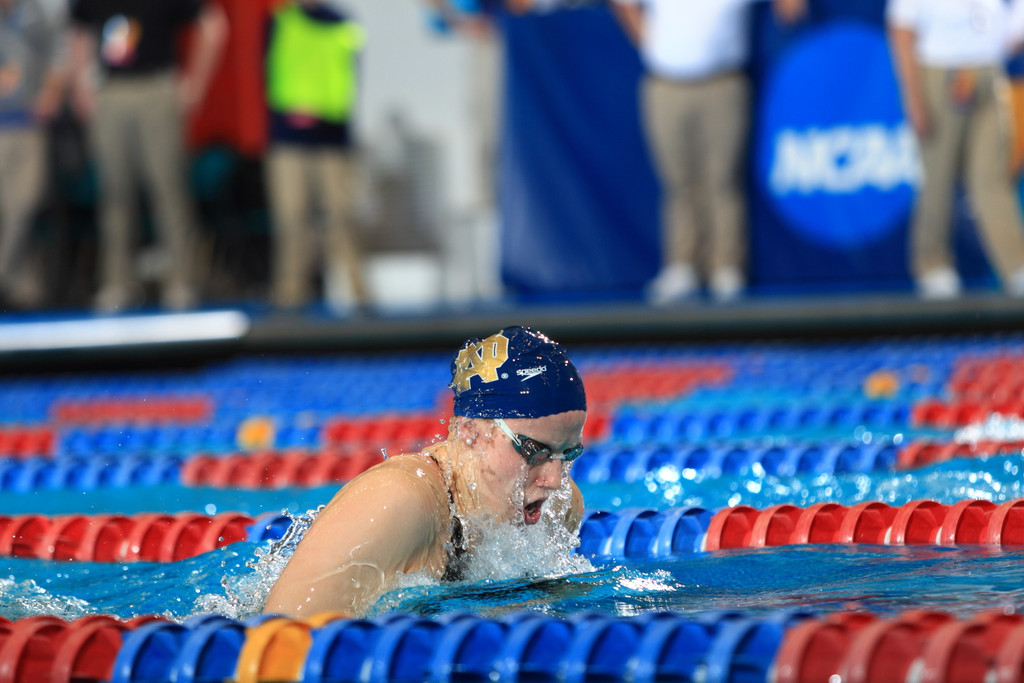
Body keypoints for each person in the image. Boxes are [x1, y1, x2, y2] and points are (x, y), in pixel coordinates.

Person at [263, 325, 587, 618]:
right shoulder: (397, 501)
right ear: (471, 431)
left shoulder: (559, 507)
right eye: (534, 451)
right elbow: (280, 642)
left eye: (567, 453)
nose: (554, 480)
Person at [612, 0, 805, 304]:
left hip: (723, 82)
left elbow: (790, 9)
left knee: (723, 181)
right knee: (678, 182)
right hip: (665, 82)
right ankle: (682, 266)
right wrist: (651, 45)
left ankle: (727, 270)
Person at [68, 0, 228, 313]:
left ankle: (182, 280)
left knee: (167, 189)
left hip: (156, 89)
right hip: (110, 91)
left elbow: (214, 25)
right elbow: (78, 34)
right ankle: (116, 282)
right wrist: (80, 85)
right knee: (114, 193)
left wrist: (195, 84)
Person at [888, 0, 1024, 299]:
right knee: (938, 176)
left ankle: (1016, 267)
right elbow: (900, 29)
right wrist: (913, 98)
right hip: (941, 71)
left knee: (992, 178)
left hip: (989, 71)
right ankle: (932, 267)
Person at [263, 0, 368, 314]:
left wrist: (318, 112)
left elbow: (347, 82)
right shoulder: (280, 22)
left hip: (331, 139)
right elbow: (271, 74)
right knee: (290, 219)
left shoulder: (345, 25)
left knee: (342, 219)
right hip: (287, 138)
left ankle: (359, 298)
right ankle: (288, 298)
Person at [0, 0, 65, 311]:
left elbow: (56, 57)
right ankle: (19, 284)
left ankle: (9, 277)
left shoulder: (36, 14)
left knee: (23, 204)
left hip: (27, 125)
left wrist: (50, 96)